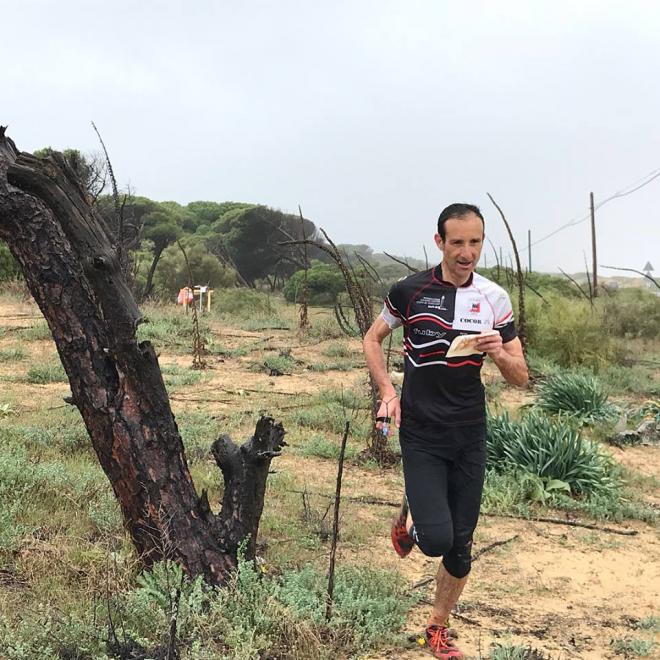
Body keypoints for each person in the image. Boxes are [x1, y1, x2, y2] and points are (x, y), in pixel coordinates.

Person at [362, 203, 528, 659]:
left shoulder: (494, 299)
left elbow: (521, 376)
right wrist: (386, 392)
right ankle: (411, 515)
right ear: (440, 242)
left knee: (461, 546)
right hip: (420, 430)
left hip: (469, 432)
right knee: (436, 539)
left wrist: (499, 353)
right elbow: (372, 338)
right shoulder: (410, 291)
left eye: (474, 242)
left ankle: (437, 627)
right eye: (457, 242)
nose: (466, 252)